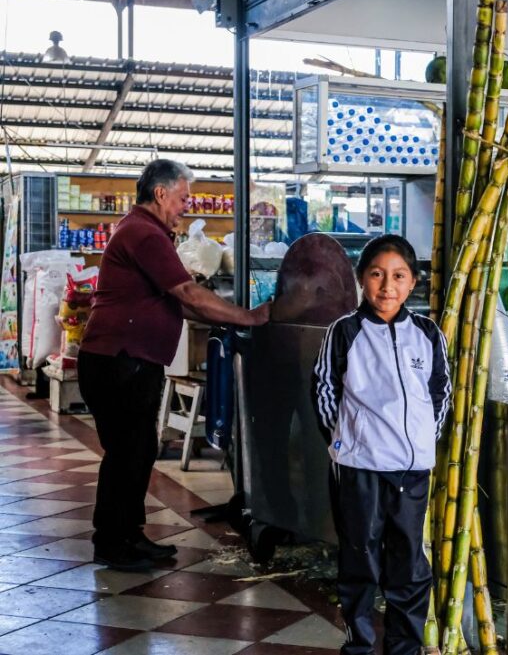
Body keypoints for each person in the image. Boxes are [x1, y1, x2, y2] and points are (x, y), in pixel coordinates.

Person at [78, 159, 270, 572]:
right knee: (127, 452)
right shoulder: (145, 234)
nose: (187, 205)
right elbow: (188, 293)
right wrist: (251, 317)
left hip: (126, 361)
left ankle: (129, 534)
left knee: (138, 450)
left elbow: (181, 303)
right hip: (120, 361)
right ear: (161, 193)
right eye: (183, 197)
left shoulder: (145, 231)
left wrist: (226, 316)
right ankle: (113, 542)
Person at [312, 234, 451, 655]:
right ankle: (358, 645)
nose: (386, 286)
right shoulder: (344, 332)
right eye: (376, 274)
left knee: (408, 566)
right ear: (361, 279)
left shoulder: (427, 333)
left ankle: (404, 649)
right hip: (359, 469)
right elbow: (323, 390)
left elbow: (441, 391)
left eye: (398, 276)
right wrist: (344, 442)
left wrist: (427, 439)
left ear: (413, 283)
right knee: (360, 560)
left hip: (412, 471)